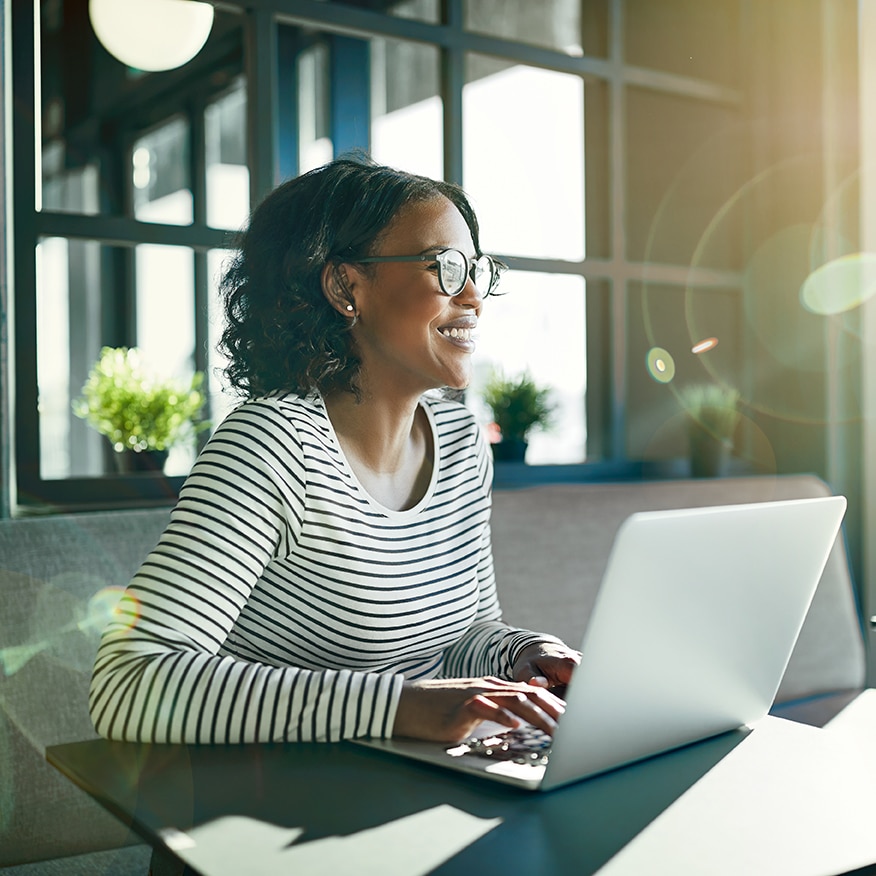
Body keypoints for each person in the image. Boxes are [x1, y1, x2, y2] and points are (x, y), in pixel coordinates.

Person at [89, 156, 581, 746]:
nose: (474, 296)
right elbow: (129, 680)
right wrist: (398, 707)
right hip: (270, 809)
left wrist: (523, 656)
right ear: (346, 287)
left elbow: (463, 634)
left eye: (478, 269)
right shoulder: (270, 446)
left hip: (413, 789)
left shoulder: (460, 441)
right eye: (446, 268)